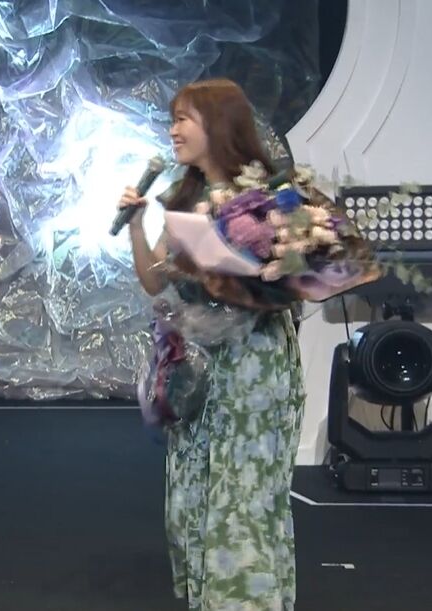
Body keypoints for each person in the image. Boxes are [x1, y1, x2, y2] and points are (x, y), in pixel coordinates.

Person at [119, 79, 306, 610]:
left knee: (243, 492)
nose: (173, 130)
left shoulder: (268, 195)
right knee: (195, 489)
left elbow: (296, 275)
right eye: (172, 120)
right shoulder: (184, 199)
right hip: (200, 370)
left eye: (184, 119)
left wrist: (246, 269)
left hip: (253, 367)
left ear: (217, 125)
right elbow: (154, 281)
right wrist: (137, 224)